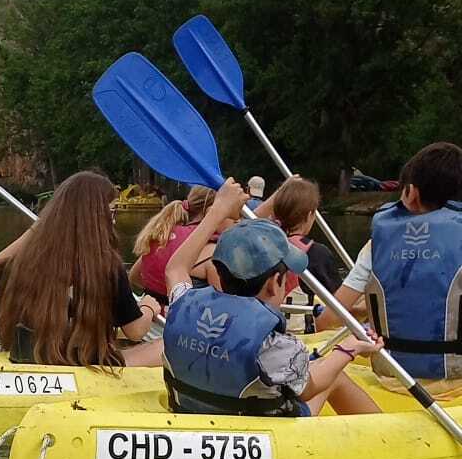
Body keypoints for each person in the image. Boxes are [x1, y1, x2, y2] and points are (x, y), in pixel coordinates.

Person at [163, 182, 380, 416]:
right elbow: (309, 388)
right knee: (335, 376)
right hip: (258, 429)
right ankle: (389, 435)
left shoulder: (183, 303)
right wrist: (348, 349)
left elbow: (175, 268)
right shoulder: (273, 342)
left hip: (192, 413)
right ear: (274, 282)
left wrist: (217, 211)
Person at [0, 170, 164, 367]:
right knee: (164, 345)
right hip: (81, 363)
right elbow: (136, 331)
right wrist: (148, 307)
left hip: (30, 354)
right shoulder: (108, 266)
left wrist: (44, 223)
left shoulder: (29, 260)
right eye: (111, 212)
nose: (114, 220)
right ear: (97, 216)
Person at [315, 140, 462, 384]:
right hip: (457, 384)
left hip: (393, 380)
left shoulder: (377, 244)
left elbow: (327, 321)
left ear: (411, 193)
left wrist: (367, 313)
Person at [129, 186, 216, 304]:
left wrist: (155, 294)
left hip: (153, 308)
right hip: (180, 310)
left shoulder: (162, 234)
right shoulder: (203, 242)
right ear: (211, 210)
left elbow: (134, 276)